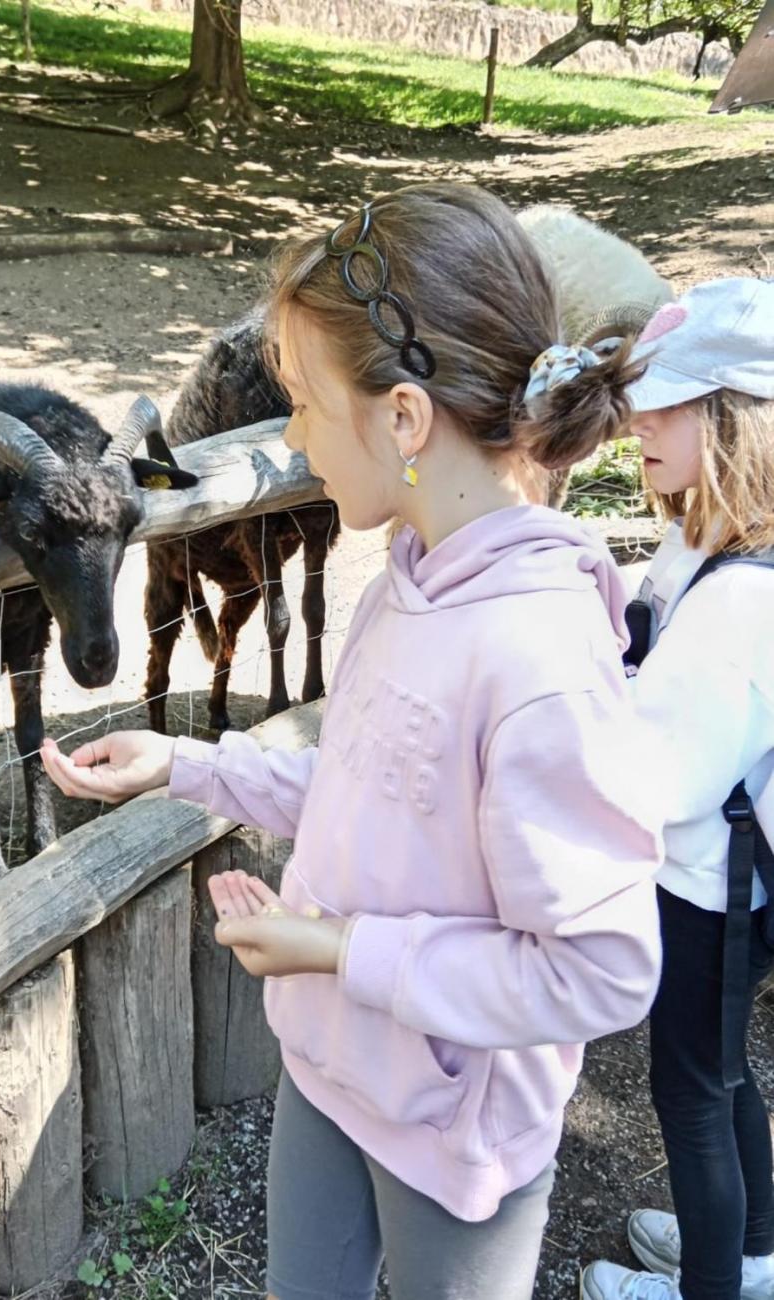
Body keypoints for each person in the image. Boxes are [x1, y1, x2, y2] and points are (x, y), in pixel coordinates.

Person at [41, 181, 663, 1300]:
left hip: (452, 1135)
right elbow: (370, 784)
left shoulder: (539, 662)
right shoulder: (407, 583)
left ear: (404, 419)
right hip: (330, 1068)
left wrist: (340, 949)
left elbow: (602, 968)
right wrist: (187, 764)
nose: (292, 436)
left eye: (306, 403)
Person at [580, 277, 774, 1300]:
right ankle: (752, 1256)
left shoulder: (741, 598)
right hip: (730, 875)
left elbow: (654, 782)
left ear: (734, 419)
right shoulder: (714, 531)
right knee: (721, 1069)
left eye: (667, 406)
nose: (636, 424)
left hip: (711, 888)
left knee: (691, 1090)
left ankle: (711, 1286)